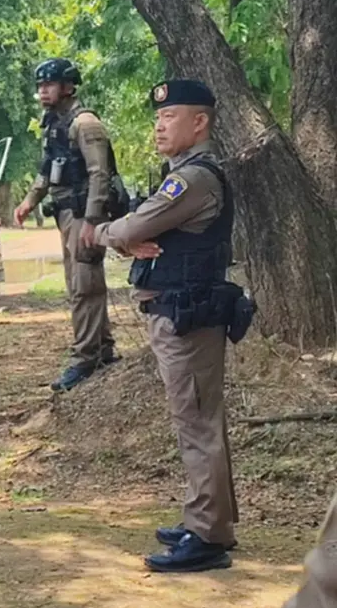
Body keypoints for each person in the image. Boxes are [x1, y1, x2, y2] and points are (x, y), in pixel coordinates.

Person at [88, 80, 246, 573]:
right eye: (157, 117)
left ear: (199, 123)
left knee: (196, 423)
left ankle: (207, 535)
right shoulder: (184, 174)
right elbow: (138, 229)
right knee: (200, 420)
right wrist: (126, 236)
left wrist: (108, 234)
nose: (159, 126)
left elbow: (134, 226)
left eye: (169, 116)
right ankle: (210, 520)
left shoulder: (193, 179)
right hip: (181, 312)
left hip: (187, 316)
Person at [14, 58, 119, 392]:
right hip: (66, 214)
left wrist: (92, 219)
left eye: (49, 84)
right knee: (78, 283)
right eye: (40, 86)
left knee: (85, 284)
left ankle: (86, 357)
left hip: (83, 214)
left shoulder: (85, 124)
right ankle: (101, 346)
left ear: (68, 86)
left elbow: (100, 174)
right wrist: (30, 200)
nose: (43, 91)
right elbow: (48, 168)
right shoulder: (54, 124)